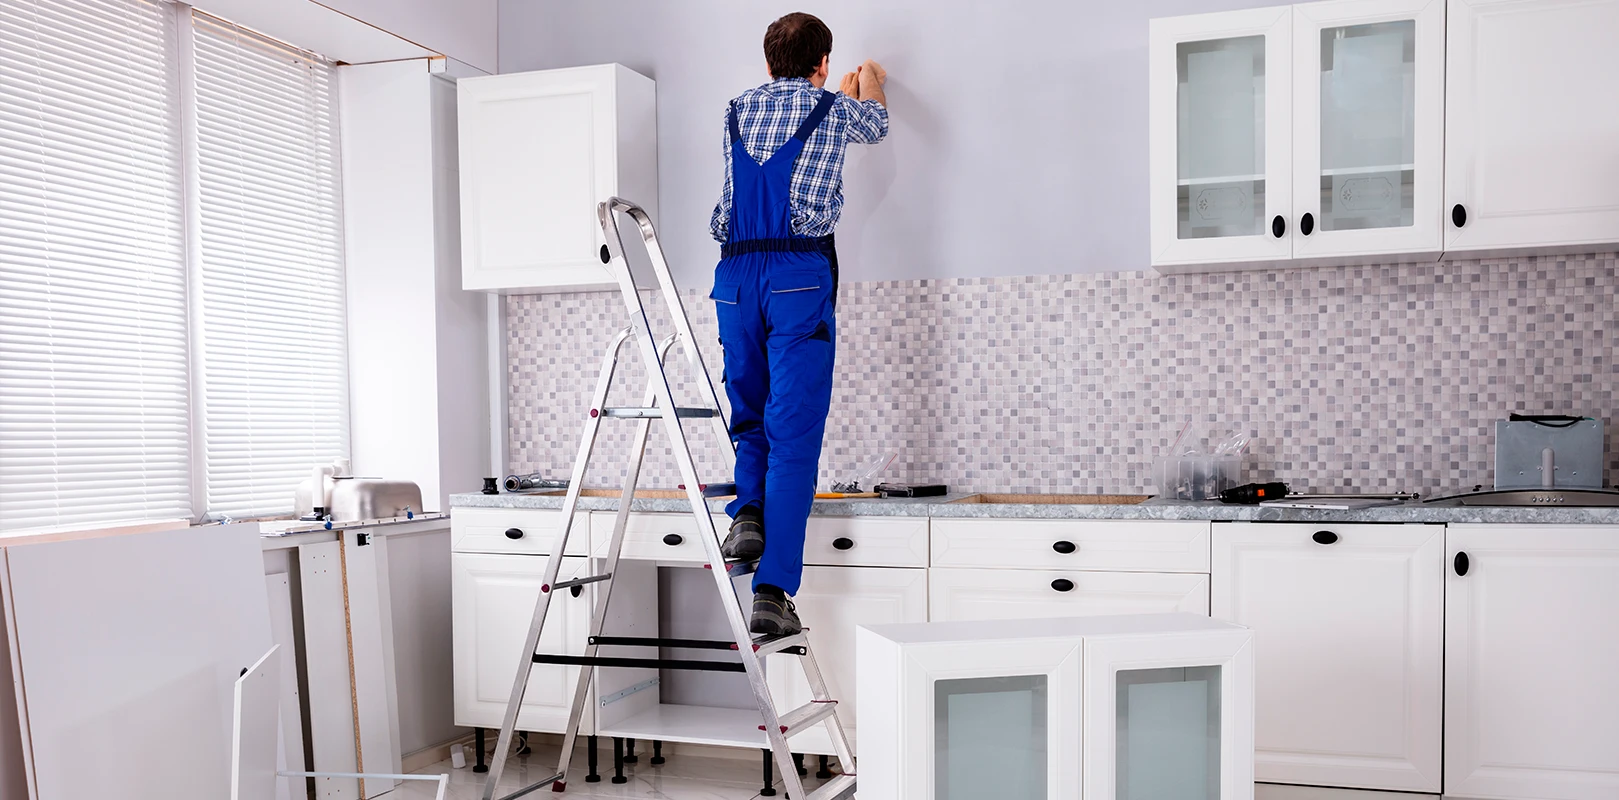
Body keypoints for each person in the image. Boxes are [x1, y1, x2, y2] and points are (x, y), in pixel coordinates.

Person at [709, 12, 888, 635]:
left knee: (750, 416)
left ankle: (748, 516)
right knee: (793, 436)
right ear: (823, 63)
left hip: (734, 277)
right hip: (795, 278)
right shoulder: (832, 108)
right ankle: (772, 592)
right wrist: (869, 79)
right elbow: (876, 123)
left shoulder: (736, 109)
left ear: (766, 63)